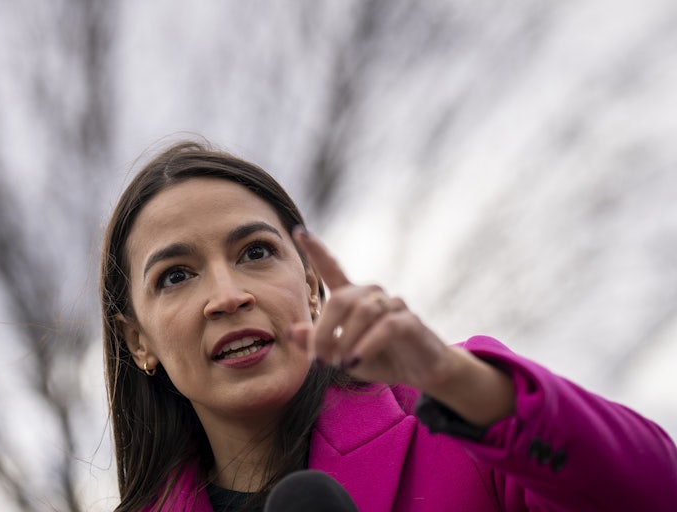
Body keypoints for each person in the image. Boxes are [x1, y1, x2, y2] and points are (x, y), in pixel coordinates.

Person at [100, 140, 677, 512]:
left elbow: (656, 491)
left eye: (255, 252)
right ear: (139, 341)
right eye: (176, 276)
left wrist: (456, 380)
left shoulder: (464, 430)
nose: (228, 296)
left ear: (310, 286)